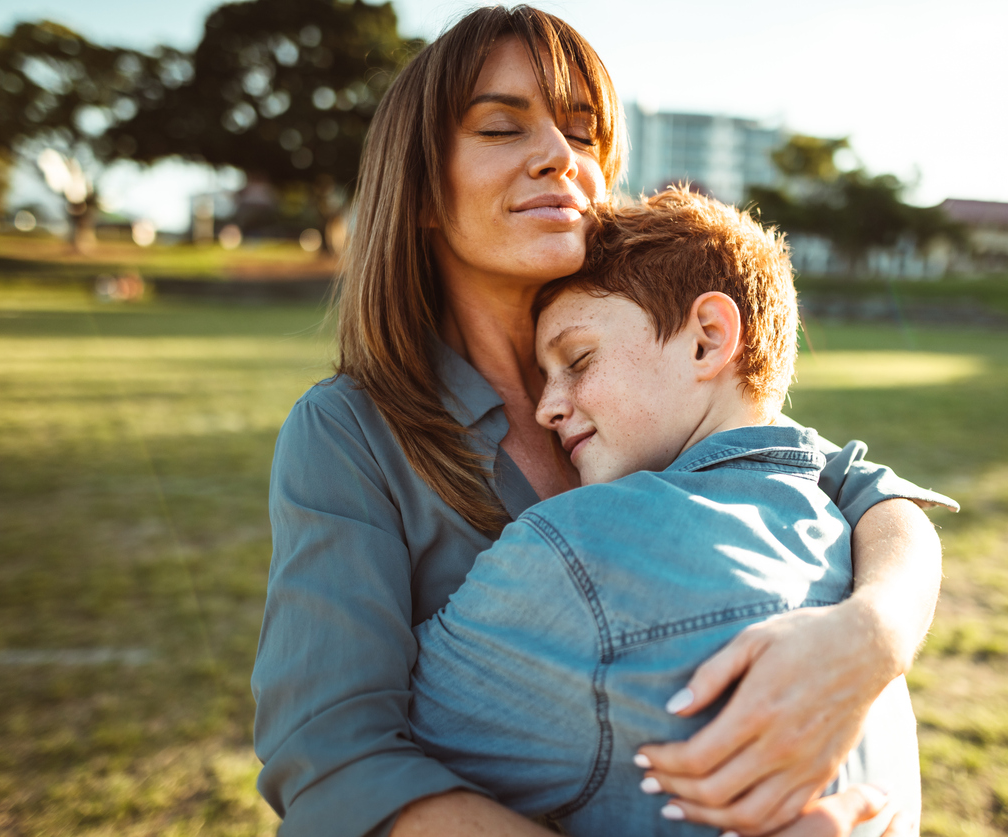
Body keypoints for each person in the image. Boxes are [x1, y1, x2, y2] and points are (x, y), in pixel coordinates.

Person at [252, 7, 953, 837]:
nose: (560, 156)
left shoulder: (643, 367)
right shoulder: (349, 431)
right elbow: (335, 758)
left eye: (583, 135)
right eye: (504, 127)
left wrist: (869, 638)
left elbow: (861, 490)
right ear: (422, 191)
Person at [408, 188, 956, 837]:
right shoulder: (844, 526)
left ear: (707, 339)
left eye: (578, 359)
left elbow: (371, 744)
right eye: (542, 375)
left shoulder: (580, 546)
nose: (546, 407)